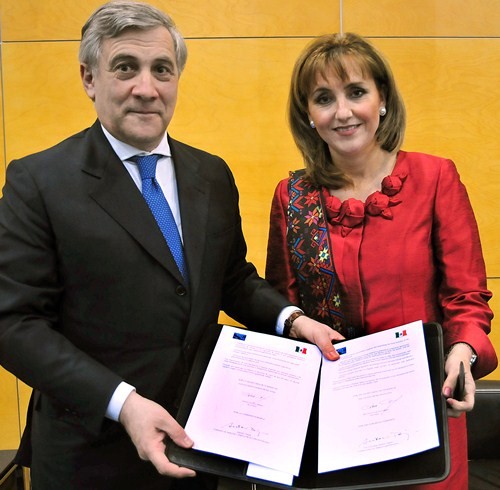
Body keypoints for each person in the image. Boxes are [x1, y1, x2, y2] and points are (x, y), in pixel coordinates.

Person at [0, 3, 344, 489]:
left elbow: (232, 279)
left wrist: (293, 320)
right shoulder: (38, 181)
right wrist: (124, 403)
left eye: (161, 69)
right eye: (125, 68)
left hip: (199, 449)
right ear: (89, 78)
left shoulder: (211, 174)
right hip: (91, 459)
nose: (147, 88)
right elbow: (13, 324)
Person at [265, 32, 497, 489]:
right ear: (308, 114)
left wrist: (463, 352)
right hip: (331, 419)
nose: (343, 112)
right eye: (323, 98)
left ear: (383, 99)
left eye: (356, 92)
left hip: (424, 409)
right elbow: (282, 308)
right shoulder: (292, 196)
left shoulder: (434, 177)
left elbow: (467, 296)